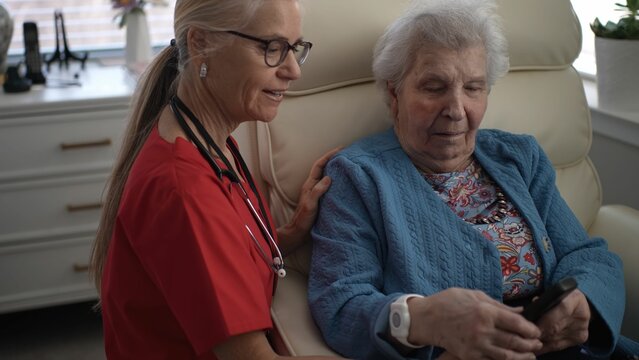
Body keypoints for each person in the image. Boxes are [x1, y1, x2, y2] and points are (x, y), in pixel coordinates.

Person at [307, 0, 639, 359]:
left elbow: (586, 253)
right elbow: (340, 306)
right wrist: (424, 319)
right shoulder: (358, 176)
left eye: (473, 88)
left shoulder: (519, 156)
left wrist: (583, 299)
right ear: (394, 93)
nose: (455, 109)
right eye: (434, 87)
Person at [89, 1, 341, 359]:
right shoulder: (184, 190)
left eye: (294, 49)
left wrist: (290, 234)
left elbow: (222, 255)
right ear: (201, 43)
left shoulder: (206, 139)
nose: (292, 71)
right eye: (271, 48)